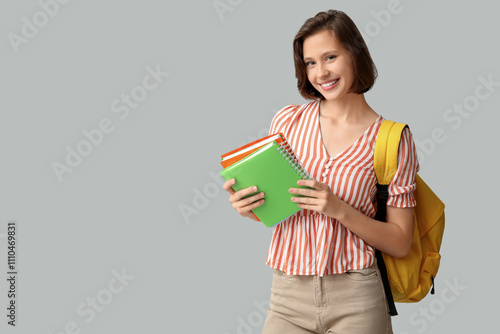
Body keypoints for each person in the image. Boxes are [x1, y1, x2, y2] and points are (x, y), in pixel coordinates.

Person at [222, 9, 419, 334]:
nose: (321, 72)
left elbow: (400, 242)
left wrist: (339, 209)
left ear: (355, 54)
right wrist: (250, 209)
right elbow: (282, 211)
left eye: (330, 57)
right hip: (287, 294)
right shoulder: (287, 122)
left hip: (357, 296)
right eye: (310, 62)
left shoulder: (392, 139)